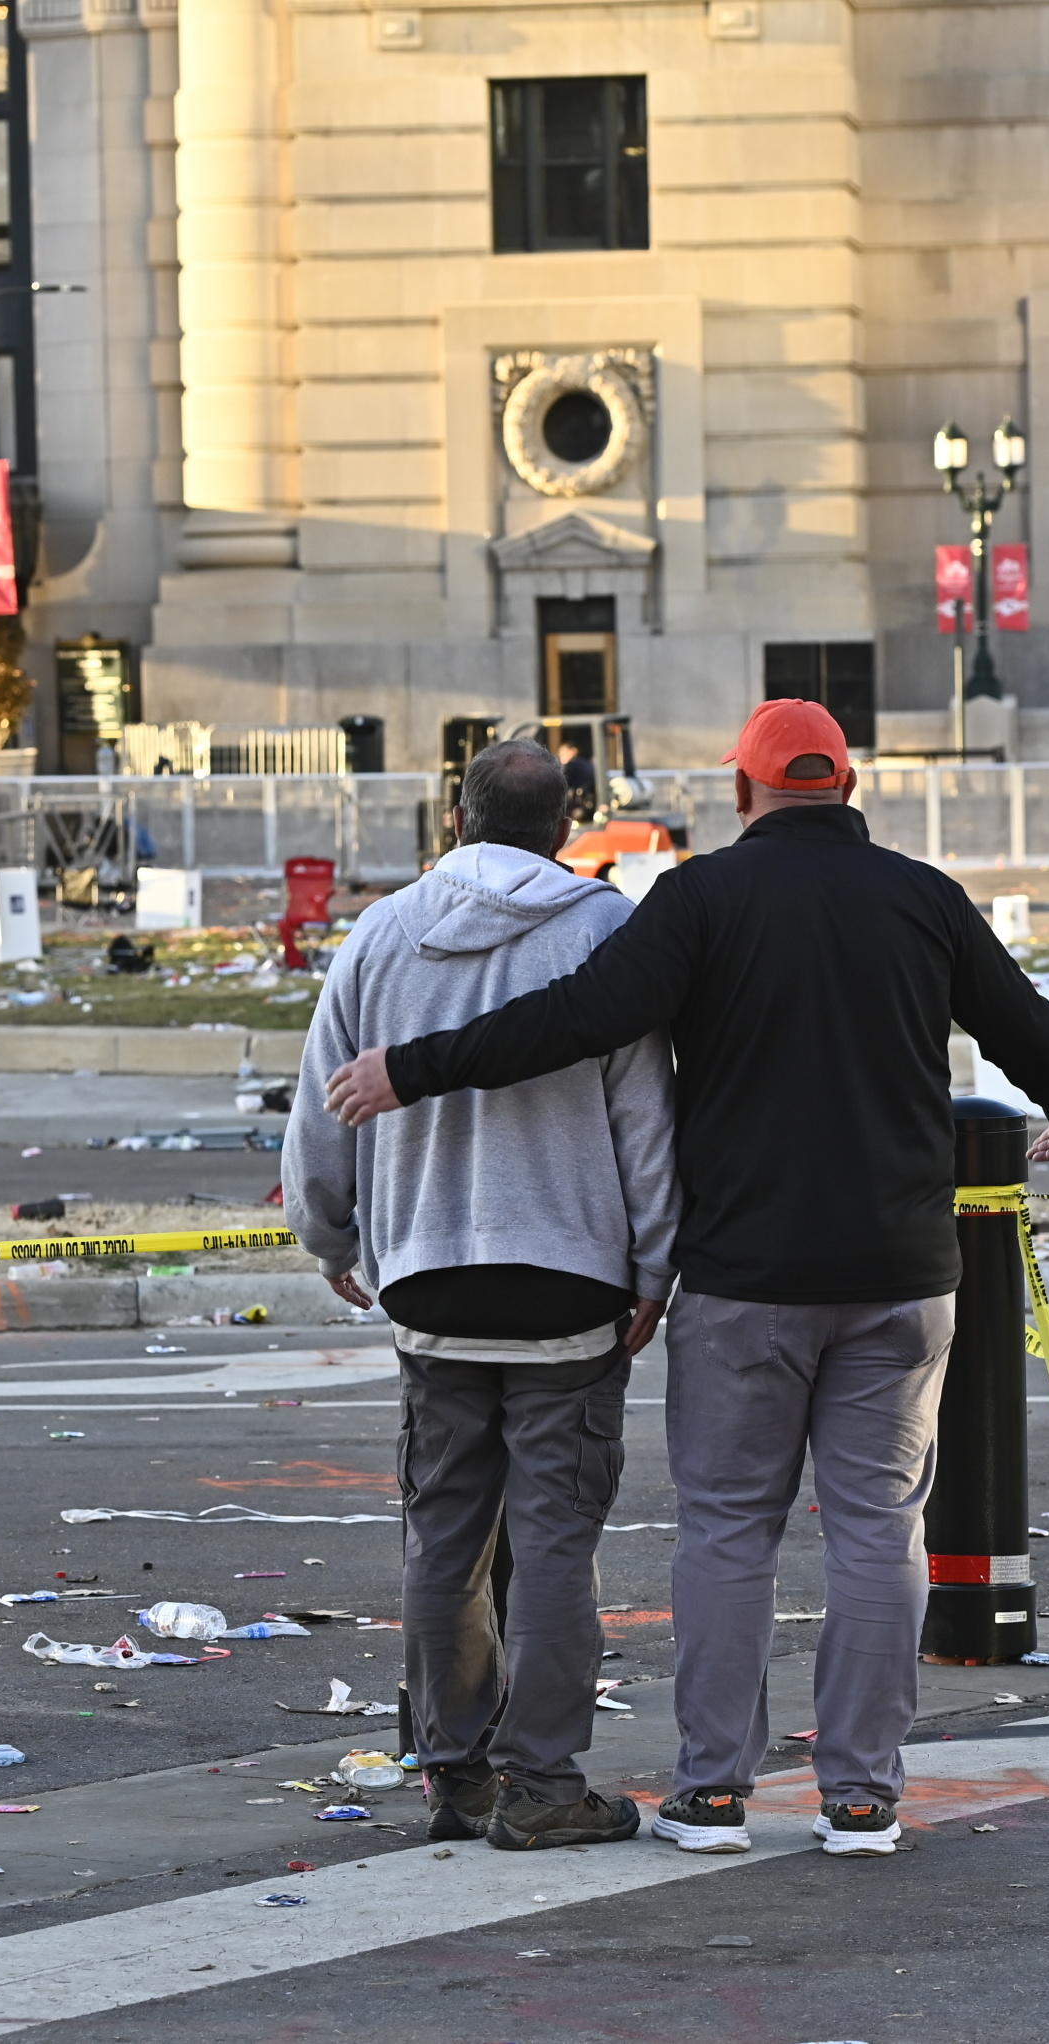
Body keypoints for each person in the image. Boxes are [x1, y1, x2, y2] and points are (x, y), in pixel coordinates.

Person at [325, 698, 1049, 1858]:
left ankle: (715, 1792)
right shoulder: (923, 898)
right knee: (881, 1526)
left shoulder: (700, 901)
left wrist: (411, 1071)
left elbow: (574, 1023)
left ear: (742, 793)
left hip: (746, 1279)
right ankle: (862, 1795)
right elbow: (1029, 1030)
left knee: (730, 1529)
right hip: (901, 1274)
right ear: (847, 787)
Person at [283, 737, 677, 1853]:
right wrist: (654, 1266)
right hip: (570, 1276)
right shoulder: (604, 932)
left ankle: (453, 1773)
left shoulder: (382, 931)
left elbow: (322, 1107)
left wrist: (331, 1231)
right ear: (566, 826)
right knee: (558, 1539)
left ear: (454, 818)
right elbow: (645, 1121)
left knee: (444, 1535)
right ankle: (544, 1782)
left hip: (429, 1276)